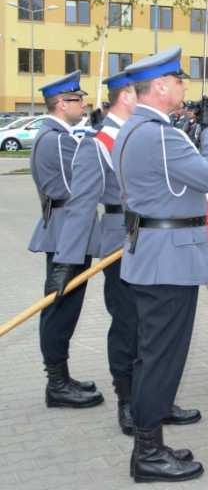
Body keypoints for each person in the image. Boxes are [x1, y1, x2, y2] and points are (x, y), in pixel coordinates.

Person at [52, 71, 202, 437]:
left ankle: (156, 401)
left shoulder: (147, 132)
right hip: (121, 244)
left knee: (154, 332)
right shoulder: (98, 143)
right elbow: (82, 205)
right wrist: (66, 261)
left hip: (152, 241)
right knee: (128, 325)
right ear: (128, 98)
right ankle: (127, 400)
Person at [114, 46, 208, 482]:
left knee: (151, 355)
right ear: (160, 87)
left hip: (152, 254)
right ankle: (147, 453)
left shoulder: (131, 128)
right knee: (162, 358)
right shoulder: (159, 134)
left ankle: (152, 443)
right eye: (178, 80)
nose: (184, 86)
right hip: (169, 259)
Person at [27, 70, 104, 410]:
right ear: (61, 104)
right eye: (78, 99)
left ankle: (62, 377)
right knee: (59, 310)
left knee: (65, 309)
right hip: (66, 232)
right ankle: (56, 384)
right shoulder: (56, 139)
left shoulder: (61, 136)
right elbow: (79, 188)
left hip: (70, 229)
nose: (84, 103)